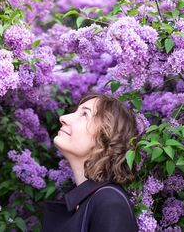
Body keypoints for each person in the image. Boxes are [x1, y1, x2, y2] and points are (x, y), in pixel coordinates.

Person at [42, 93, 139, 232]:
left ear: (106, 137)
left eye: (84, 114)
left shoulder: (110, 204)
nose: (63, 118)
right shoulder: (85, 202)